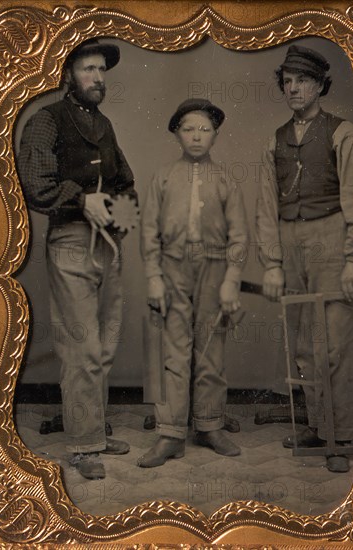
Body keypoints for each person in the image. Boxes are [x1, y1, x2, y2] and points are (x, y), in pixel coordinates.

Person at [256, 45, 353, 473]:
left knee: (335, 344)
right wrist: (272, 262)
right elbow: (265, 204)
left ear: (320, 85)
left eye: (302, 81)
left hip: (332, 238)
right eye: (287, 81)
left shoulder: (344, 134)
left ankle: (339, 437)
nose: (293, 88)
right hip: (290, 245)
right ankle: (316, 427)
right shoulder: (273, 140)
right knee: (306, 347)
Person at [17, 39, 137, 480]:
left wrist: (120, 223)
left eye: (102, 70)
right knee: (80, 343)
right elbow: (35, 182)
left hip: (108, 244)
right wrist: (81, 198)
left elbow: (126, 180)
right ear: (67, 73)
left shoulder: (103, 124)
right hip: (70, 240)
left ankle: (93, 432)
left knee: (104, 344)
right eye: (88, 69)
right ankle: (84, 446)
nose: (98, 78)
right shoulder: (45, 120)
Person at [138, 98, 248, 467]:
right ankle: (170, 434)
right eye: (188, 129)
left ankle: (210, 425)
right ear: (176, 134)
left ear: (215, 135)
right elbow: (149, 231)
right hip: (172, 267)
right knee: (174, 350)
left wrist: (232, 280)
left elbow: (239, 236)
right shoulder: (164, 177)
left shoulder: (225, 180)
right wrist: (154, 277)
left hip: (215, 268)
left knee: (210, 350)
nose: (196, 137)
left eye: (204, 130)